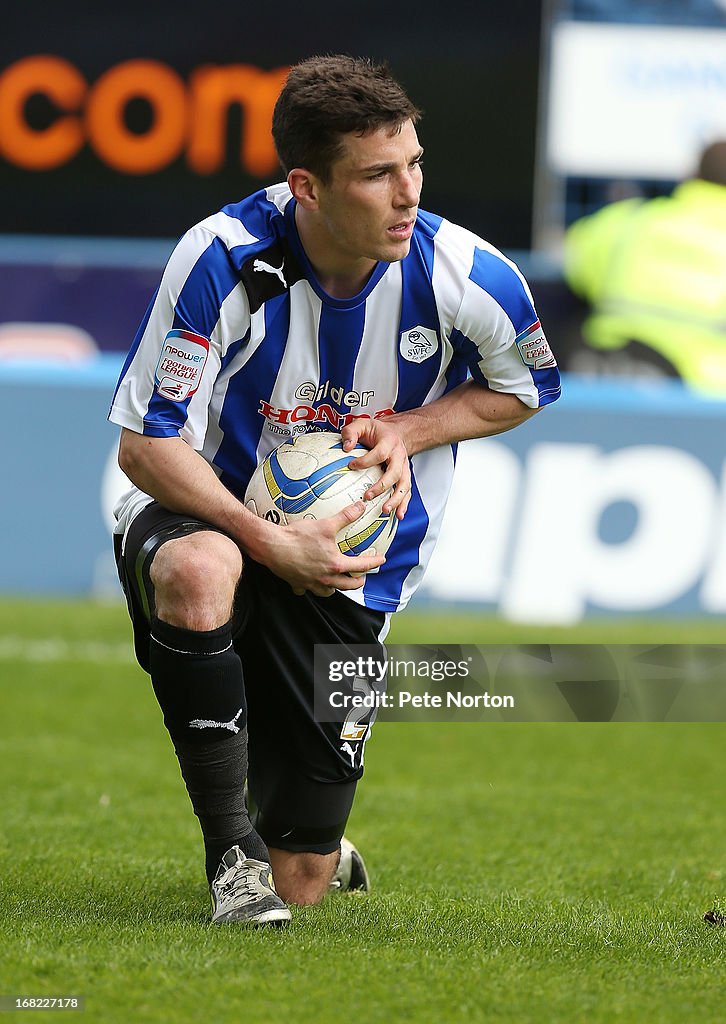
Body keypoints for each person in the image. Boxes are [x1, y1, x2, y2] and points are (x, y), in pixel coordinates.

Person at [108, 54, 561, 927]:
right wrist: (267, 540)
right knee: (199, 571)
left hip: (359, 568)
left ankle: (303, 845)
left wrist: (411, 428)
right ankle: (229, 857)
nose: (409, 195)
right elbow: (146, 443)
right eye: (378, 175)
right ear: (306, 187)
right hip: (213, 512)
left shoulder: (467, 274)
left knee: (305, 879)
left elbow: (526, 385)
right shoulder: (222, 259)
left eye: (415, 164)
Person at [563, 141, 726, 395]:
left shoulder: (629, 220)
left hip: (604, 374)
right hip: (702, 401)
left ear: (693, 176)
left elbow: (574, 263)